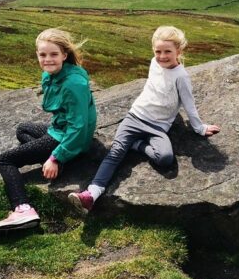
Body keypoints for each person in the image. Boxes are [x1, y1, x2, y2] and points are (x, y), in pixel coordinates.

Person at [68, 25, 220, 214]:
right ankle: (91, 194)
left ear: (179, 51)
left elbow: (189, 104)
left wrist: (199, 128)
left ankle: (136, 146)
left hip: (158, 126)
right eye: (158, 51)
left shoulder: (181, 77)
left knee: (165, 158)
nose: (162, 56)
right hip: (135, 116)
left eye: (167, 52)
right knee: (115, 153)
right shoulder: (154, 63)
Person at [0, 28, 96, 232]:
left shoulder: (73, 83)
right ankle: (58, 164)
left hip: (67, 138)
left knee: (5, 160)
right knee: (23, 129)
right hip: (59, 130)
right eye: (43, 54)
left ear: (64, 55)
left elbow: (79, 127)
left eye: (54, 54)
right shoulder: (52, 75)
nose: (48, 59)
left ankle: (23, 209)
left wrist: (55, 156)